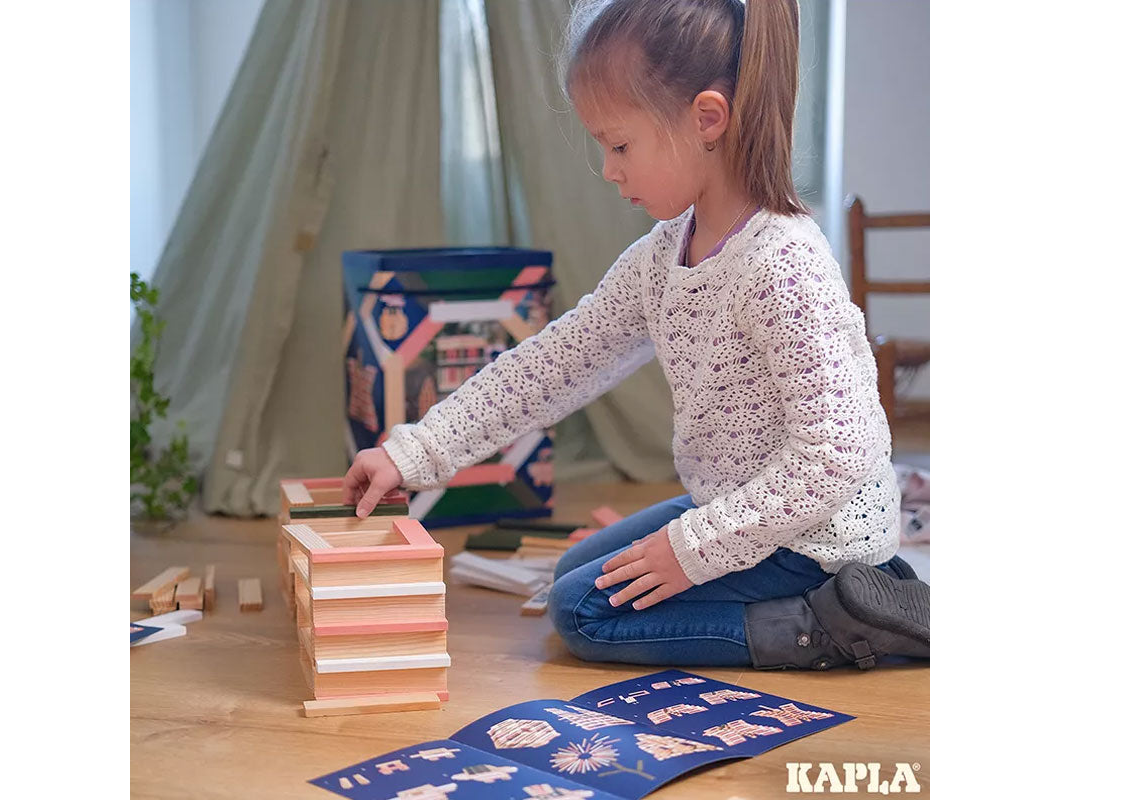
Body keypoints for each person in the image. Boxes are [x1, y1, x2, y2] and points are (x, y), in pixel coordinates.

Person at [344, 0, 928, 671]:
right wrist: (416, 452)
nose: (609, 169)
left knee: (583, 613)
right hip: (739, 504)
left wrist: (691, 550)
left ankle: (832, 622)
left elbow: (836, 458)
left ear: (707, 120)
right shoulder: (664, 255)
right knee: (577, 568)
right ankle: (786, 593)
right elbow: (557, 362)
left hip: (815, 534)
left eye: (620, 145)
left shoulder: (783, 267)